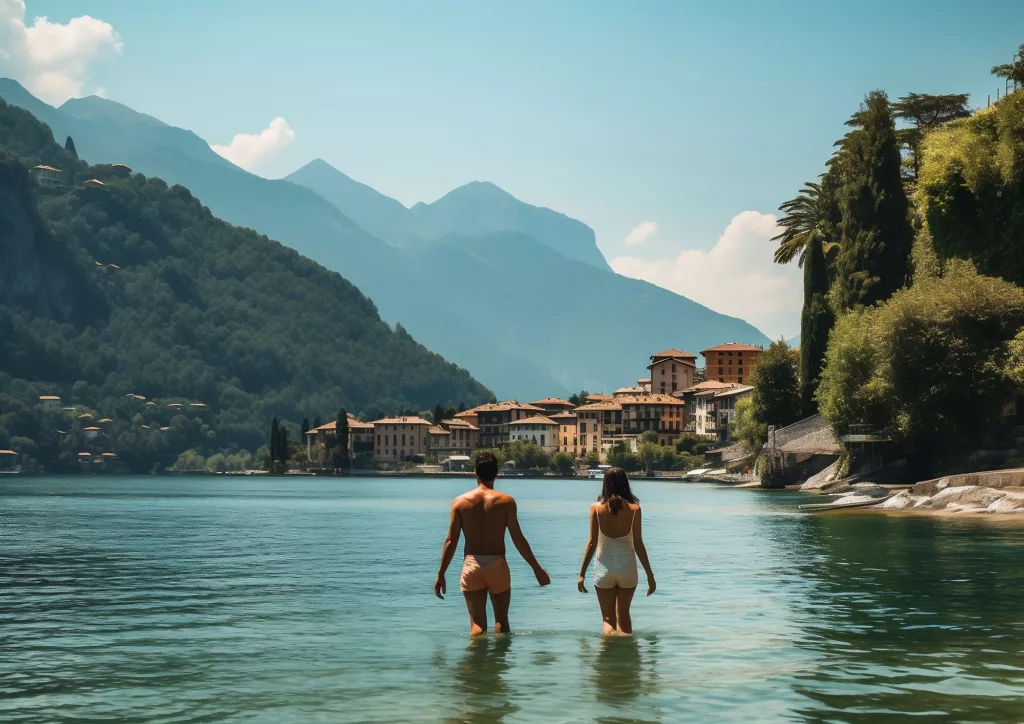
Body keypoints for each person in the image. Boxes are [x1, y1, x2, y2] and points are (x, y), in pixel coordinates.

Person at [435, 452, 550, 635]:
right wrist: (537, 569)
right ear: (497, 473)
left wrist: (441, 574)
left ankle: (475, 662)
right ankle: (499, 663)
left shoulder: (460, 503)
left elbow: (451, 541)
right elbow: (518, 538)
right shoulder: (506, 502)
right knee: (502, 624)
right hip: (498, 564)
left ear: (475, 473)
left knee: (477, 626)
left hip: (472, 565)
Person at [577, 467, 655, 635]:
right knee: (624, 616)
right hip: (627, 569)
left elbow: (592, 542)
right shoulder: (635, 509)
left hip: (604, 569)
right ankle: (627, 658)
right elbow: (638, 543)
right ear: (625, 484)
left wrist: (581, 573)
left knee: (607, 619)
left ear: (605, 484)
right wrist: (650, 575)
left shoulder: (596, 509)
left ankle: (607, 657)